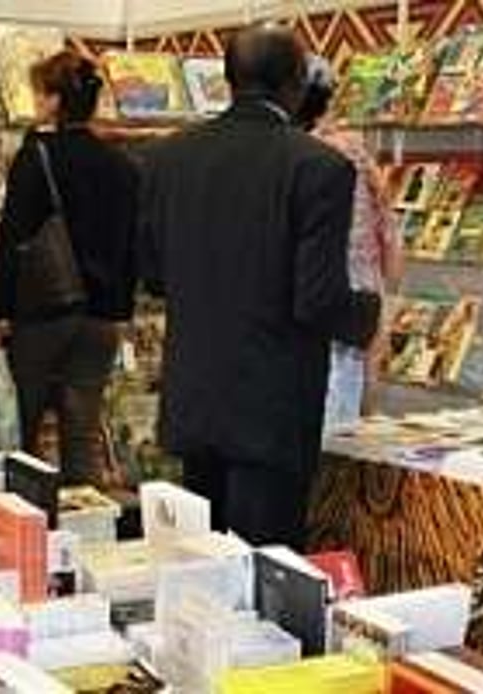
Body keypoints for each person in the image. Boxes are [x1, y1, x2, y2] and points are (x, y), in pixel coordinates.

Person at [139, 25, 381, 548]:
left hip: (195, 398)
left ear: (227, 79)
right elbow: (317, 299)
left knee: (200, 572)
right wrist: (370, 315)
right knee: (265, 582)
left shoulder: (168, 157)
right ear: (296, 84)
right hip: (271, 407)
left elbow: (154, 277)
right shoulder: (320, 168)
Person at [0, 51, 138, 486]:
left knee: (23, 435)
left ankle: (30, 533)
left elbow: (14, 241)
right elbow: (131, 247)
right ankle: (86, 529)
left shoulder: (38, 158)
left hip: (43, 314)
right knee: (81, 433)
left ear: (53, 100)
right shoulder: (124, 166)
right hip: (102, 319)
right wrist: (120, 311)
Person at [294, 56, 401, 431]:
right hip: (358, 301)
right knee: (345, 414)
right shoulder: (355, 149)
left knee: (317, 418)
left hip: (313, 302)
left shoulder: (298, 154)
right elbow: (387, 226)